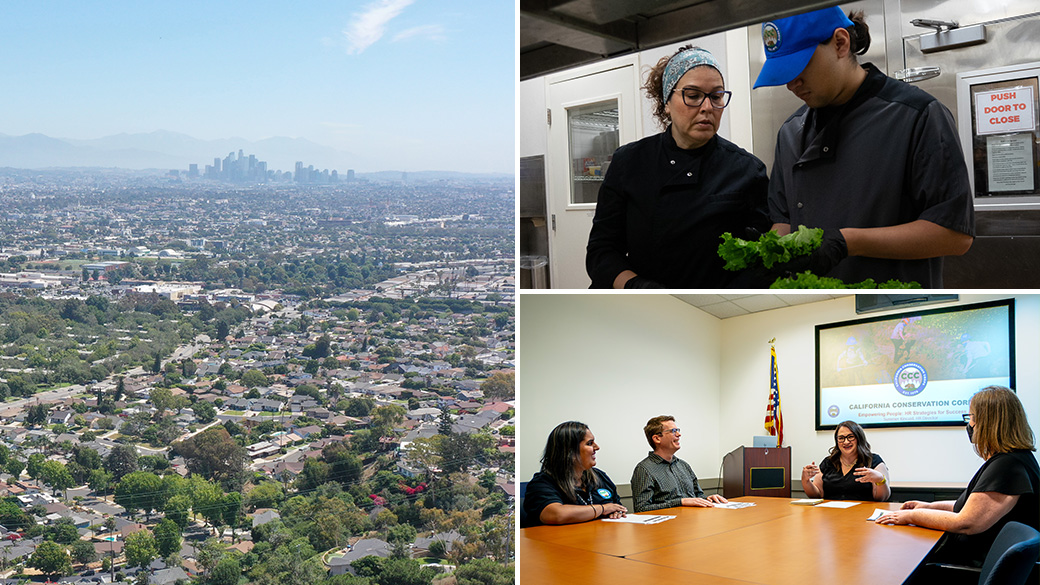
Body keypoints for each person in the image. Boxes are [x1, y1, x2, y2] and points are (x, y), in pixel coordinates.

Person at [753, 7, 974, 287]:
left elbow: (955, 235)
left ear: (840, 43)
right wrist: (768, 249)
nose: (791, 84)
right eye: (783, 73)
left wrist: (849, 242)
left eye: (799, 67)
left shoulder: (917, 115)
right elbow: (784, 220)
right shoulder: (790, 132)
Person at [586, 45, 770, 289]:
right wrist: (637, 287)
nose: (707, 107)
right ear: (666, 103)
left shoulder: (747, 170)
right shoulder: (629, 162)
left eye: (716, 96)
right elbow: (601, 251)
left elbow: (761, 259)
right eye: (693, 95)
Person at [875, 386, 1039, 572]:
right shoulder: (1014, 459)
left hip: (970, 566)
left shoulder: (1007, 466)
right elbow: (969, 506)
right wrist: (928, 507)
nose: (970, 425)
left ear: (987, 422)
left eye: (971, 418)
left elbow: (966, 522)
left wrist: (911, 516)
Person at [522, 421, 628, 527]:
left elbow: (616, 506)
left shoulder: (600, 477)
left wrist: (616, 513)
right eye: (590, 443)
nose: (597, 447)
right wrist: (603, 508)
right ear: (570, 451)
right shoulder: (542, 483)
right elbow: (557, 514)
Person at [631, 415, 728, 511]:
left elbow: (698, 496)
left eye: (678, 430)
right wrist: (680, 502)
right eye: (673, 431)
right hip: (668, 525)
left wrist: (707, 499)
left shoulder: (684, 465)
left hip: (692, 521)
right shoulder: (644, 469)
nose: (679, 434)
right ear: (657, 438)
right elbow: (641, 508)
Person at [801, 420, 890, 501]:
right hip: (831, 515)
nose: (846, 442)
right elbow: (816, 495)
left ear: (859, 439)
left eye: (850, 437)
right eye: (841, 438)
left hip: (862, 514)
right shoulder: (828, 462)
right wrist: (806, 480)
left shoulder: (873, 461)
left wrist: (880, 479)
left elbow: (882, 498)